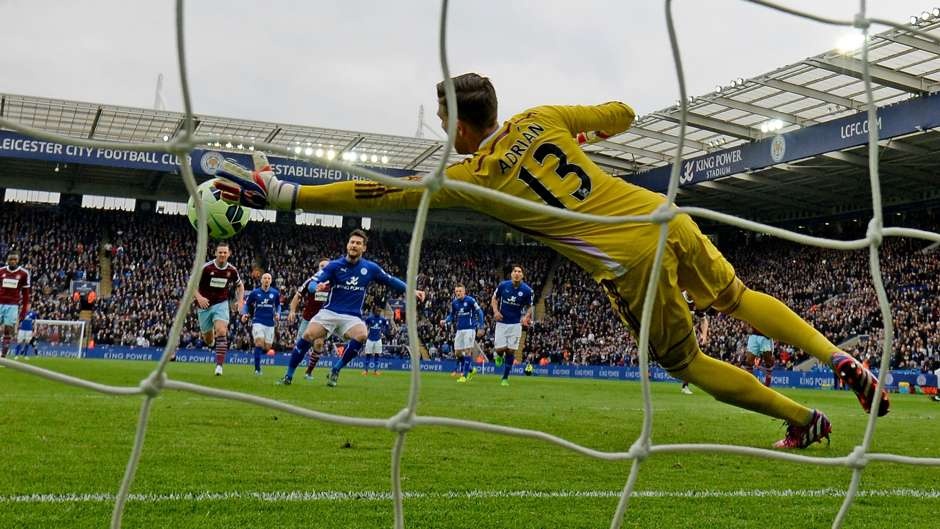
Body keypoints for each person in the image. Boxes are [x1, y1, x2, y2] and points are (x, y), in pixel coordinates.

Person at [214, 73, 889, 448]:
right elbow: (623, 111)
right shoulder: (543, 117)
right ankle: (839, 359)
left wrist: (287, 193)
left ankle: (804, 420)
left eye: (444, 121)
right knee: (736, 297)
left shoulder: (471, 174)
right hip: (663, 215)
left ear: (461, 126)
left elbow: (380, 190)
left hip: (624, 260)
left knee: (687, 363)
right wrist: (584, 131)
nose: (443, 130)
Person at [276, 229, 425, 387]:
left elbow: (390, 280)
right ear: (347, 245)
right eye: (352, 242)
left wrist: (412, 290)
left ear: (364, 248)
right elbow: (313, 283)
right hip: (330, 312)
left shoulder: (370, 268)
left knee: (362, 334)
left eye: (358, 243)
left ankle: (336, 369)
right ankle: (288, 376)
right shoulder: (334, 266)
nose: (354, 245)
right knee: (308, 335)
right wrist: (315, 288)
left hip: (352, 316)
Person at [194, 242, 244, 376]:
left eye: (225, 252)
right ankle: (212, 341)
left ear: (229, 254)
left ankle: (219, 366)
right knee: (208, 340)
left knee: (222, 331)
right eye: (220, 252)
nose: (222, 254)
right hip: (204, 305)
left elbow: (240, 286)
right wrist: (199, 297)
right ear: (215, 253)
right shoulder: (206, 268)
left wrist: (240, 301)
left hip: (221, 303)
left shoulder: (232, 270)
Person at [287, 257, 330, 380]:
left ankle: (309, 372)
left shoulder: (334, 283)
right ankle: (290, 372)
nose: (324, 268)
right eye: (322, 266)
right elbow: (297, 296)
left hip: (323, 319)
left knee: (319, 344)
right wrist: (292, 311)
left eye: (326, 266)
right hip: (308, 318)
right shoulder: (311, 281)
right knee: (300, 346)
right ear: (318, 268)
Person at [491, 266, 533, 386]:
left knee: (511, 351)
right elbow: (494, 299)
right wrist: (495, 311)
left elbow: (530, 306)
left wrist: (526, 317)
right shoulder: (503, 285)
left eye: (519, 272)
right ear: (511, 274)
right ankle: (498, 355)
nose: (517, 273)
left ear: (522, 275)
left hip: (515, 324)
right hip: (502, 322)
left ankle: (505, 378)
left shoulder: (527, 290)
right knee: (500, 349)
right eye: (515, 271)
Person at [440, 283, 485, 383]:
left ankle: (464, 376)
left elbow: (480, 312)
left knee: (467, 351)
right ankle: (471, 369)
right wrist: (445, 320)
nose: (458, 293)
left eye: (460, 291)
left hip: (470, 329)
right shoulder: (454, 303)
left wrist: (481, 326)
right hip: (459, 330)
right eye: (456, 291)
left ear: (464, 291)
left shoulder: (470, 300)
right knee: (457, 353)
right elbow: (452, 315)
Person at [241, 272, 280, 375]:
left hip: (270, 323)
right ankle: (257, 369)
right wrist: (245, 314)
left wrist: (278, 313)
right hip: (258, 321)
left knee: (267, 347)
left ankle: (257, 354)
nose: (267, 280)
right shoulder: (255, 292)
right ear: (261, 280)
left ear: (271, 281)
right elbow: (247, 304)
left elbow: (278, 305)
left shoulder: (275, 293)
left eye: (269, 278)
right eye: (265, 278)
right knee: (259, 343)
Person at [0, 250, 30, 359]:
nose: (12, 261)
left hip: (13, 305)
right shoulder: (1, 271)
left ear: (18, 260)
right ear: (7, 260)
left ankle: (3, 356)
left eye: (15, 259)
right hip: (0, 303)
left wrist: (23, 311)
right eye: (10, 259)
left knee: (8, 330)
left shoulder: (24, 273)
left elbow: (26, 294)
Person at [680, 291, 708, 395]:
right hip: (675, 331)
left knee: (691, 360)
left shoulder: (697, 302)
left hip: (688, 333)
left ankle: (685, 386)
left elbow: (704, 320)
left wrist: (704, 335)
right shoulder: (678, 297)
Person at [362, 306, 390, 376]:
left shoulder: (382, 319)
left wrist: (383, 332)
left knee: (377, 355)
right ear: (374, 311)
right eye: (377, 311)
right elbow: (364, 325)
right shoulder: (369, 318)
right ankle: (365, 370)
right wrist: (365, 332)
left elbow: (387, 326)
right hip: (370, 339)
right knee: (368, 354)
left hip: (378, 339)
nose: (379, 312)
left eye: (380, 311)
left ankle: (376, 370)